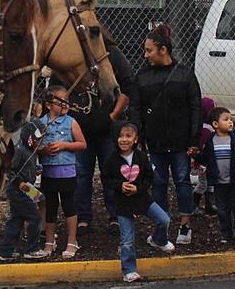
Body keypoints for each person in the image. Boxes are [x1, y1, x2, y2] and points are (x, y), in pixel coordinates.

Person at [130, 23, 202, 246]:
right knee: (158, 183)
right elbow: (136, 108)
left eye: (149, 50)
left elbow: (195, 108)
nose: (146, 55)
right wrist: (138, 137)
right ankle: (161, 225)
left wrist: (194, 139)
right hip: (155, 142)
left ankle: (184, 224)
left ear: (163, 50)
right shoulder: (142, 76)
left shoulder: (185, 75)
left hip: (180, 143)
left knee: (182, 181)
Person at [69, 27, 134, 233]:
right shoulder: (72, 55)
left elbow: (127, 86)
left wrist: (113, 116)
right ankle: (83, 217)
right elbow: (59, 87)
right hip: (82, 128)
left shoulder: (112, 54)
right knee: (81, 174)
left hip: (108, 127)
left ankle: (115, 216)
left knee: (111, 172)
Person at [102, 123, 174, 282]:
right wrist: (119, 186)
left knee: (164, 219)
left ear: (135, 139)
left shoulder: (141, 157)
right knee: (127, 238)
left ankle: (158, 240)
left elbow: (149, 178)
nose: (124, 139)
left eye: (128, 136)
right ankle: (129, 270)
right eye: (121, 136)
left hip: (142, 198)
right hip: (123, 203)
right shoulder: (112, 159)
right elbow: (106, 179)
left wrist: (138, 189)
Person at [28, 86, 86, 259]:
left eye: (66, 101)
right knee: (50, 206)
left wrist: (64, 146)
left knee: (69, 205)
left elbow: (82, 144)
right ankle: (49, 241)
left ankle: (71, 240)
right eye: (60, 101)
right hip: (48, 172)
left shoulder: (71, 122)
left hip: (66, 171)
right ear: (48, 104)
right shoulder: (40, 123)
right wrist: (43, 150)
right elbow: (34, 147)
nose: (64, 104)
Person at [0, 120, 45, 261]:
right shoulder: (20, 150)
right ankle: (32, 249)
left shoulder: (31, 151)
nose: (39, 142)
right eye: (36, 139)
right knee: (34, 217)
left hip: (27, 189)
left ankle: (5, 252)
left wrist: (35, 172)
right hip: (18, 190)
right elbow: (10, 170)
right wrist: (19, 182)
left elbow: (26, 168)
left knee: (16, 220)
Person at [199, 106, 235, 245]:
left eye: (231, 119)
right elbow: (206, 158)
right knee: (222, 209)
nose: (231, 122)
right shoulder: (211, 142)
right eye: (226, 119)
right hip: (219, 183)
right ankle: (226, 233)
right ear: (215, 124)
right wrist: (196, 156)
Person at [191, 96, 217, 216]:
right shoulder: (205, 130)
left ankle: (209, 205)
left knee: (210, 183)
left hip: (210, 162)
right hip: (204, 163)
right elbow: (201, 148)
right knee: (203, 184)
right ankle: (193, 205)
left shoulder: (210, 128)